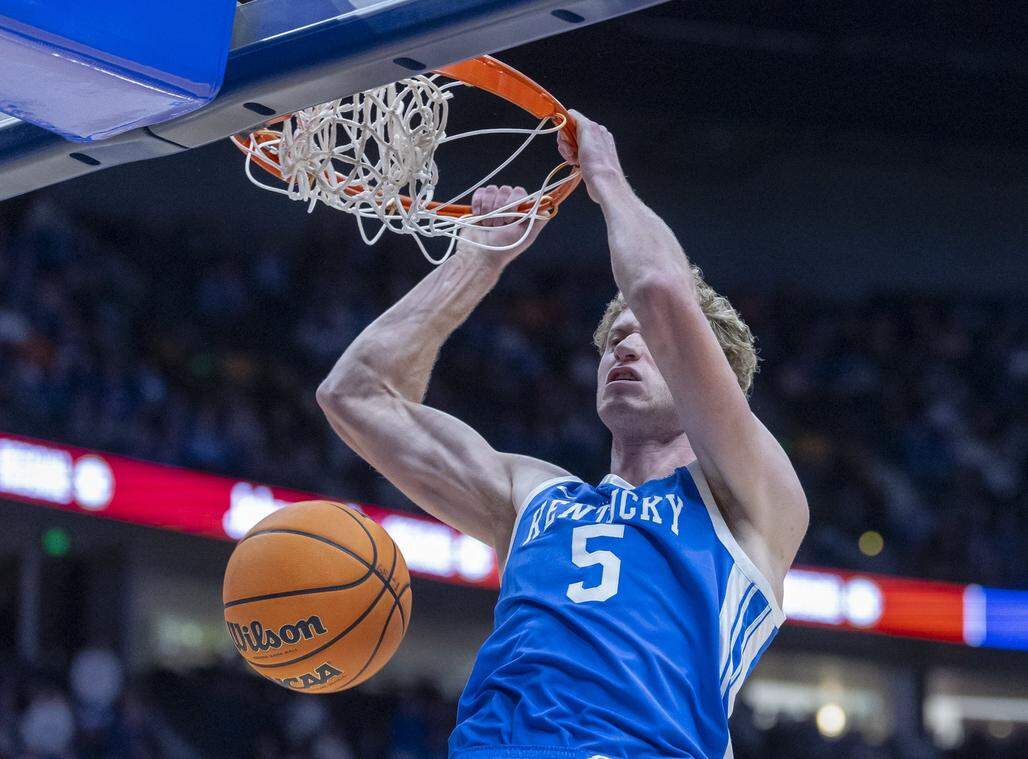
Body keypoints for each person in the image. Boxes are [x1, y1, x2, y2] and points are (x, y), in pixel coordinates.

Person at [317, 110, 809, 759]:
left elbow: (660, 291)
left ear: (712, 377)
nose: (625, 346)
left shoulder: (751, 500)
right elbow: (353, 395)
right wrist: (477, 261)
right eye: (614, 339)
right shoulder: (536, 495)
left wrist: (605, 177)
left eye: (647, 339)